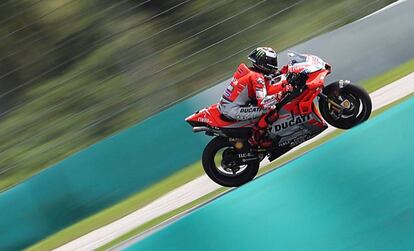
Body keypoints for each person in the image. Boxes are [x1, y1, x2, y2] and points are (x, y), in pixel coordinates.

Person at [218, 47, 293, 147]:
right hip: (233, 109)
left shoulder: (250, 71)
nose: (273, 64)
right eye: (271, 62)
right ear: (263, 63)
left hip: (227, 105)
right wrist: (281, 94)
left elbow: (266, 79)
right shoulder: (257, 77)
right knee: (271, 109)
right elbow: (263, 104)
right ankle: (255, 138)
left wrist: (281, 72)